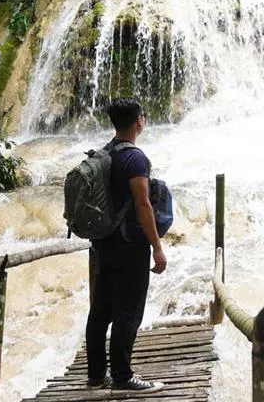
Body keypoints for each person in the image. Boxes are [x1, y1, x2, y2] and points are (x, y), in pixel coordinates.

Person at [84, 98, 168, 391]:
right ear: (138, 122)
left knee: (101, 311)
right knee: (128, 312)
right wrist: (157, 247)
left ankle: (96, 375)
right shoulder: (135, 158)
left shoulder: (104, 153)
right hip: (130, 245)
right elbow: (143, 205)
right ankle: (122, 376)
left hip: (104, 243)